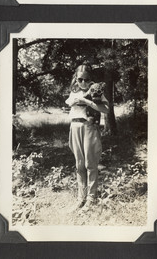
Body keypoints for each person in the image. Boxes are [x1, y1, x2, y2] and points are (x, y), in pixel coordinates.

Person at [65, 64, 110, 210]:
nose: (83, 82)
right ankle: (81, 198)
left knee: (90, 165)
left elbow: (105, 109)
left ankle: (91, 198)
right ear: (75, 79)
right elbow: (70, 104)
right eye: (80, 79)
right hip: (75, 127)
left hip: (89, 128)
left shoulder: (95, 90)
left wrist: (87, 102)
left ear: (91, 79)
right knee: (79, 165)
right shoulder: (74, 91)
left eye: (86, 79)